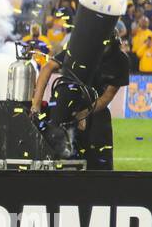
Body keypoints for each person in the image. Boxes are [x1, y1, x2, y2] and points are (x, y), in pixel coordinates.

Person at [31, 28, 129, 169]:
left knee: (100, 159)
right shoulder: (81, 50)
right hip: (66, 102)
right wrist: (36, 104)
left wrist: (83, 114)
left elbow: (107, 96)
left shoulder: (121, 60)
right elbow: (48, 68)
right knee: (58, 155)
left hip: (96, 108)